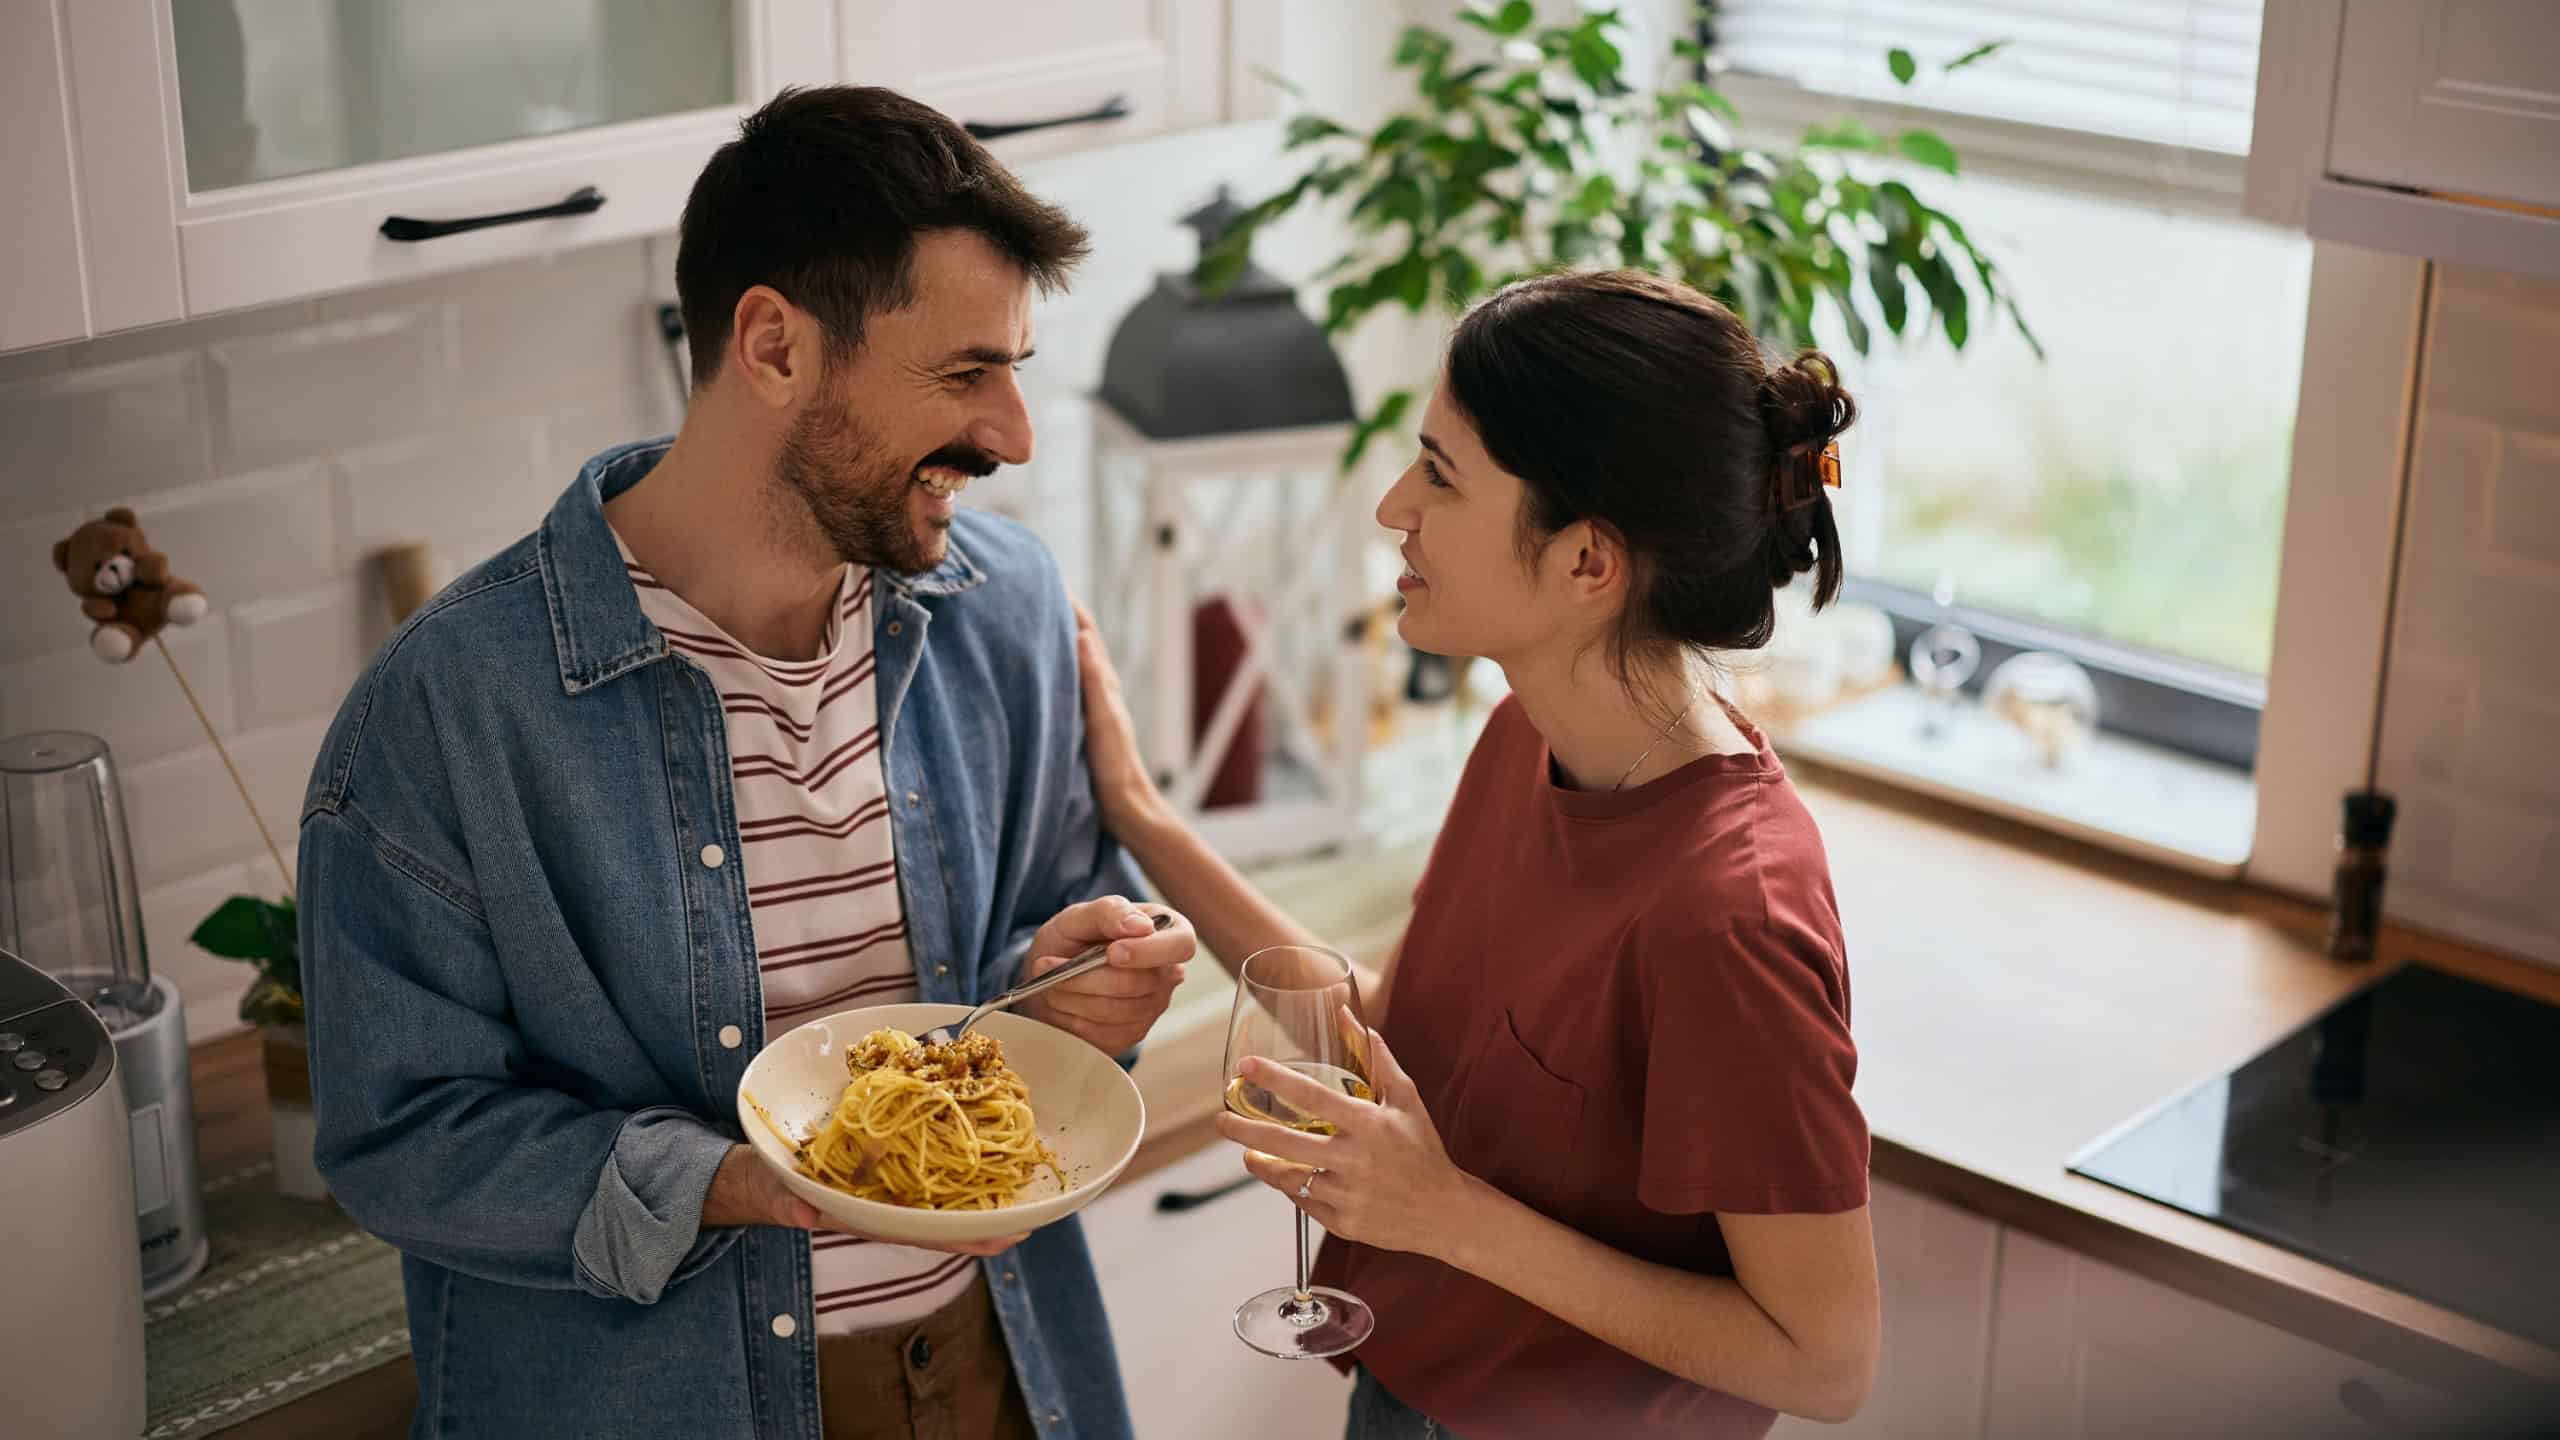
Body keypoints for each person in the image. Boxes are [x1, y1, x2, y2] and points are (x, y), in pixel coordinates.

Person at [299, 86, 1195, 1440]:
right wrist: (719, 1180)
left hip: (996, 1373)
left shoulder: (1005, 610)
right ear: (773, 345)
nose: (1012, 434)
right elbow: (397, 1139)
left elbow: (1030, 947)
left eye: (1013, 368)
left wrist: (1059, 989)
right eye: (964, 374)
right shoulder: (449, 712)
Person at [1074, 269, 1881, 1438]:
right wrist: (1143, 817)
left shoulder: (1725, 912)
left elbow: (1825, 1362)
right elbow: (1401, 1044)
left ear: (1586, 564)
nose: (1392, 505)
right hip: (1410, 1401)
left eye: (1442, 476)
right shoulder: (1526, 739)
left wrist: (1442, 1214)